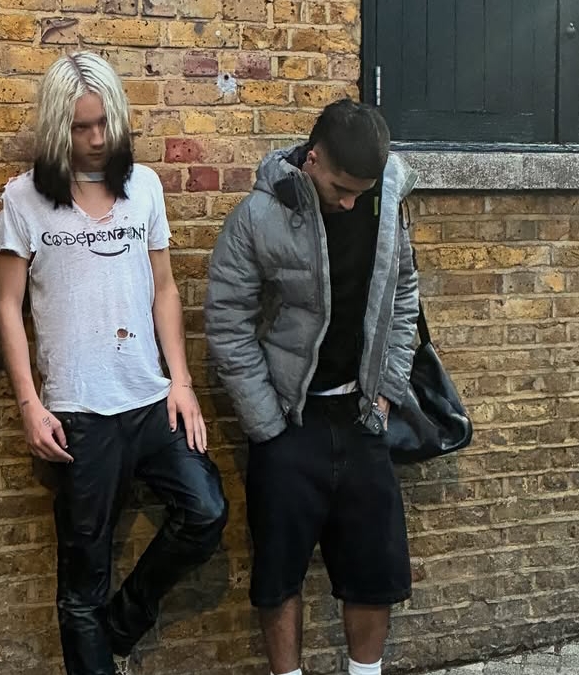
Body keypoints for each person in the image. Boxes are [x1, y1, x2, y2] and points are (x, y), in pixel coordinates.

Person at [0, 51, 229, 675]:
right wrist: (29, 404)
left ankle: (122, 625)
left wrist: (181, 382)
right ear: (57, 127)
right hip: (79, 416)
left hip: (149, 400)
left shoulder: (143, 186)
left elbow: (164, 289)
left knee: (206, 512)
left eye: (104, 123)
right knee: (82, 585)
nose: (96, 139)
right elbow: (8, 305)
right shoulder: (23, 199)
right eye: (80, 127)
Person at [204, 98, 419, 675]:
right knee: (279, 573)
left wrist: (386, 393)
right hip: (288, 421)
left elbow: (403, 295)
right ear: (313, 158)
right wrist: (266, 423)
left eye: (360, 193)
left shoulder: (386, 203)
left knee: (374, 571)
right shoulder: (258, 215)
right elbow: (226, 320)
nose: (349, 203)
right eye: (341, 189)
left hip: (362, 414)